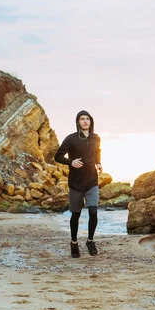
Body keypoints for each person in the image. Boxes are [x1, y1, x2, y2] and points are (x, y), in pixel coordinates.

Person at [54, 110, 102, 258]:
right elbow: (58, 156)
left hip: (92, 181)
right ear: (78, 122)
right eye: (82, 119)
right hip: (76, 183)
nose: (85, 121)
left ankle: (90, 241)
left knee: (93, 212)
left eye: (87, 118)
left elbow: (97, 151)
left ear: (91, 121)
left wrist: (99, 163)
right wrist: (71, 162)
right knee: (76, 215)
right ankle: (74, 243)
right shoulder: (71, 138)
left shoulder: (96, 138)